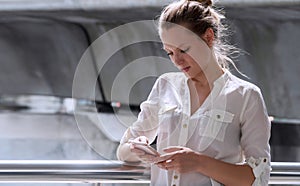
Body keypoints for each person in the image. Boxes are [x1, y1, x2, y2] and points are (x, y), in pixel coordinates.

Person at [116, 0, 271, 185]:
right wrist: (137, 148)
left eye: (184, 50)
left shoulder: (246, 96)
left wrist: (199, 162)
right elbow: (122, 152)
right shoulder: (165, 86)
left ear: (208, 37)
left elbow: (258, 178)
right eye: (170, 53)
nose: (177, 61)